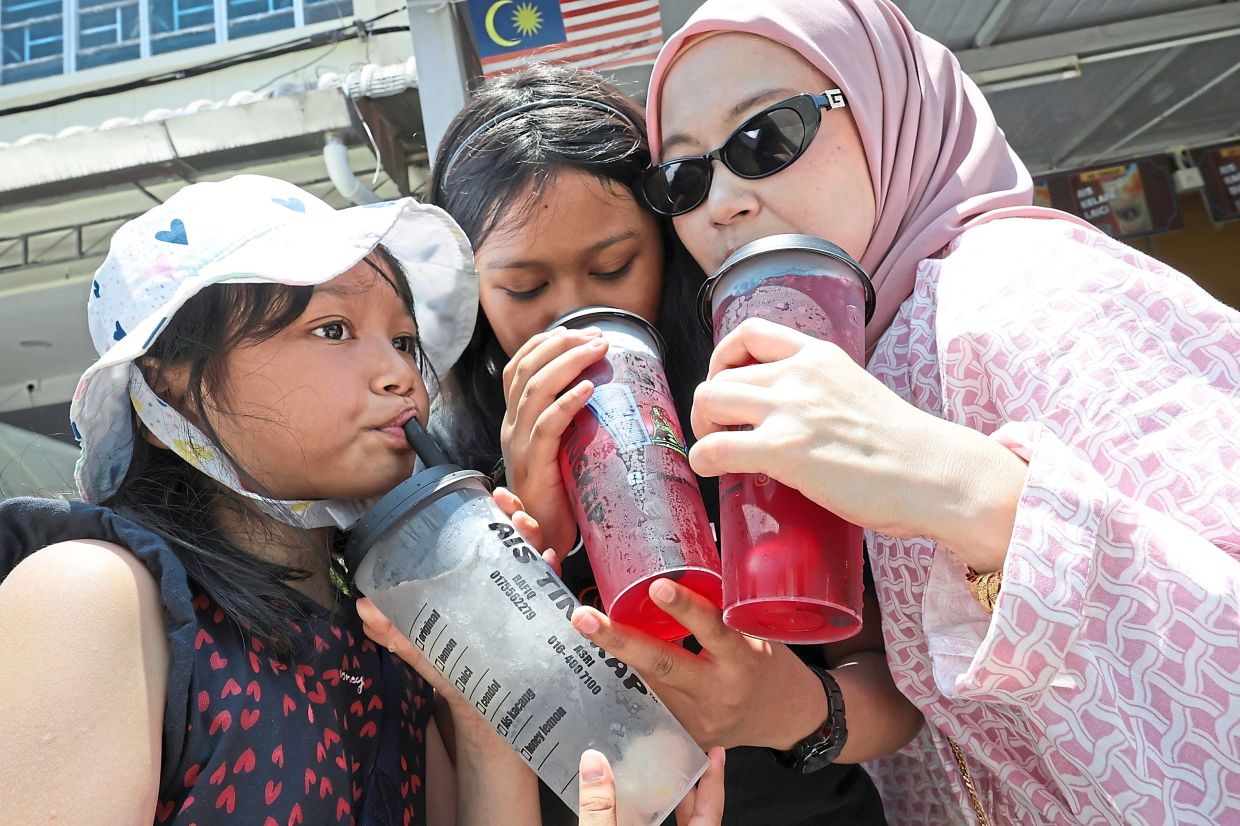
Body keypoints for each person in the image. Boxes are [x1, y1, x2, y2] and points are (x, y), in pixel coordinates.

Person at [603, 1, 1240, 823]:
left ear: (887, 112)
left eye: (767, 137)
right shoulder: (856, 356)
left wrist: (970, 492)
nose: (721, 200)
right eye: (682, 179)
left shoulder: (1027, 289)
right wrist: (796, 708)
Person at [0, 174, 602, 824]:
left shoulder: (390, 637)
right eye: (333, 329)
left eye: (403, 341)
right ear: (168, 392)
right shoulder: (93, 594)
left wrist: (482, 697)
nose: (399, 373)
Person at [423, 62, 916, 825]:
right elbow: (476, 751)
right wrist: (533, 540)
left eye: (614, 266)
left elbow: (903, 684)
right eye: (523, 288)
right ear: (473, 295)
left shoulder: (752, 394)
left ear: (669, 241)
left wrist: (794, 710)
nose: (574, 309)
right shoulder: (446, 474)